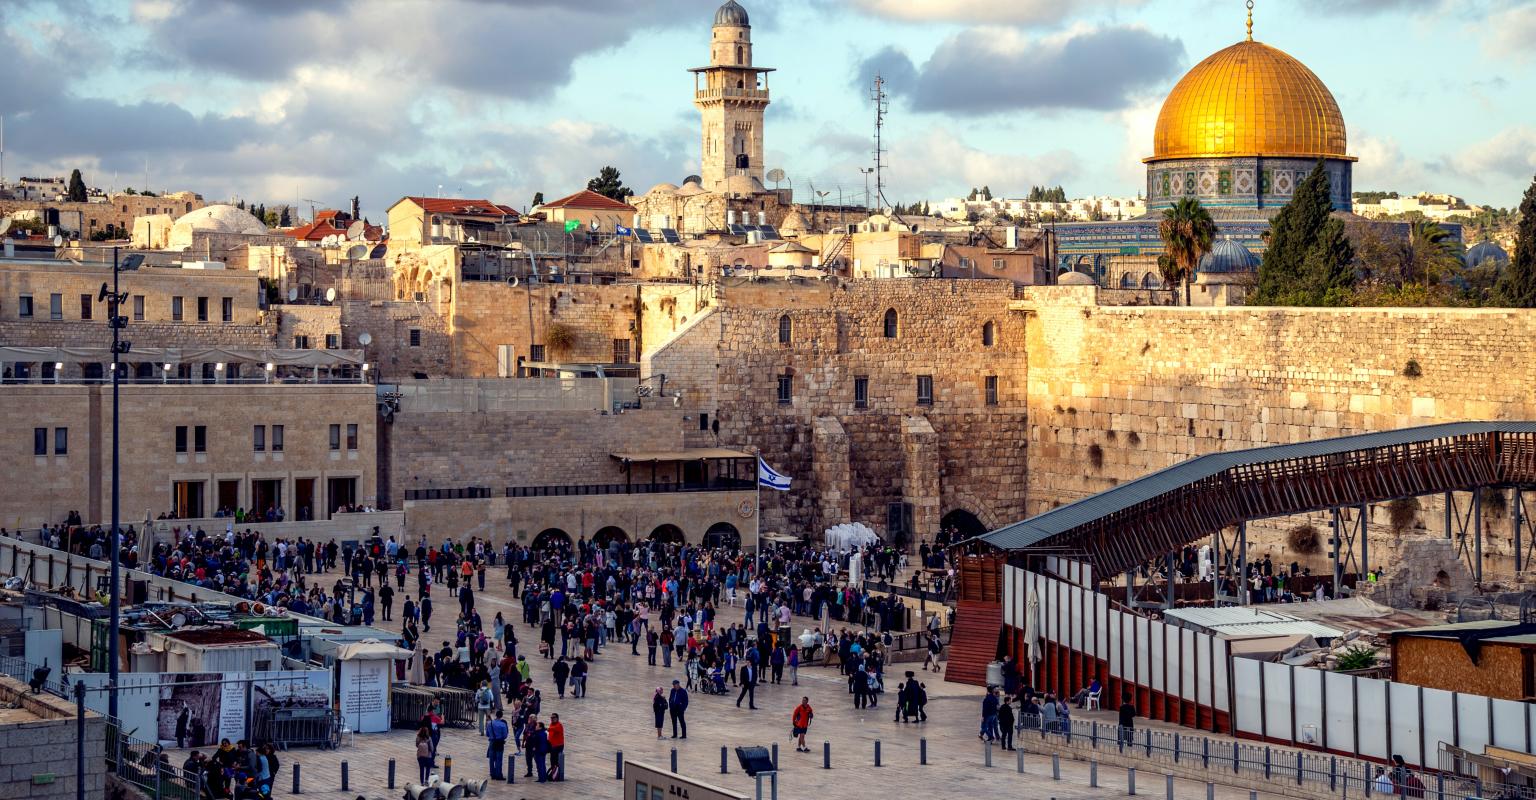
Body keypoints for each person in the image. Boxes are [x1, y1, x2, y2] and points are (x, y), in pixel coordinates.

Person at [485, 710, 509, 780]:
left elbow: (487, 734)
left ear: (496, 715)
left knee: (492, 759)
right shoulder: (503, 724)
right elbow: (505, 735)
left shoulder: (490, 723)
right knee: (499, 759)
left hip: (492, 742)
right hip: (499, 743)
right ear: (501, 716)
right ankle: (499, 775)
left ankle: (492, 774)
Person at [547, 713, 565, 782]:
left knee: (556, 760)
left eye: (554, 717)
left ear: (557, 718)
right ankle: (553, 774)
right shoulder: (552, 724)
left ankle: (556, 775)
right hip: (552, 745)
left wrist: (547, 728)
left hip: (558, 746)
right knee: (552, 760)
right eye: (551, 717)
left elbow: (553, 729)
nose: (552, 719)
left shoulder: (559, 725)